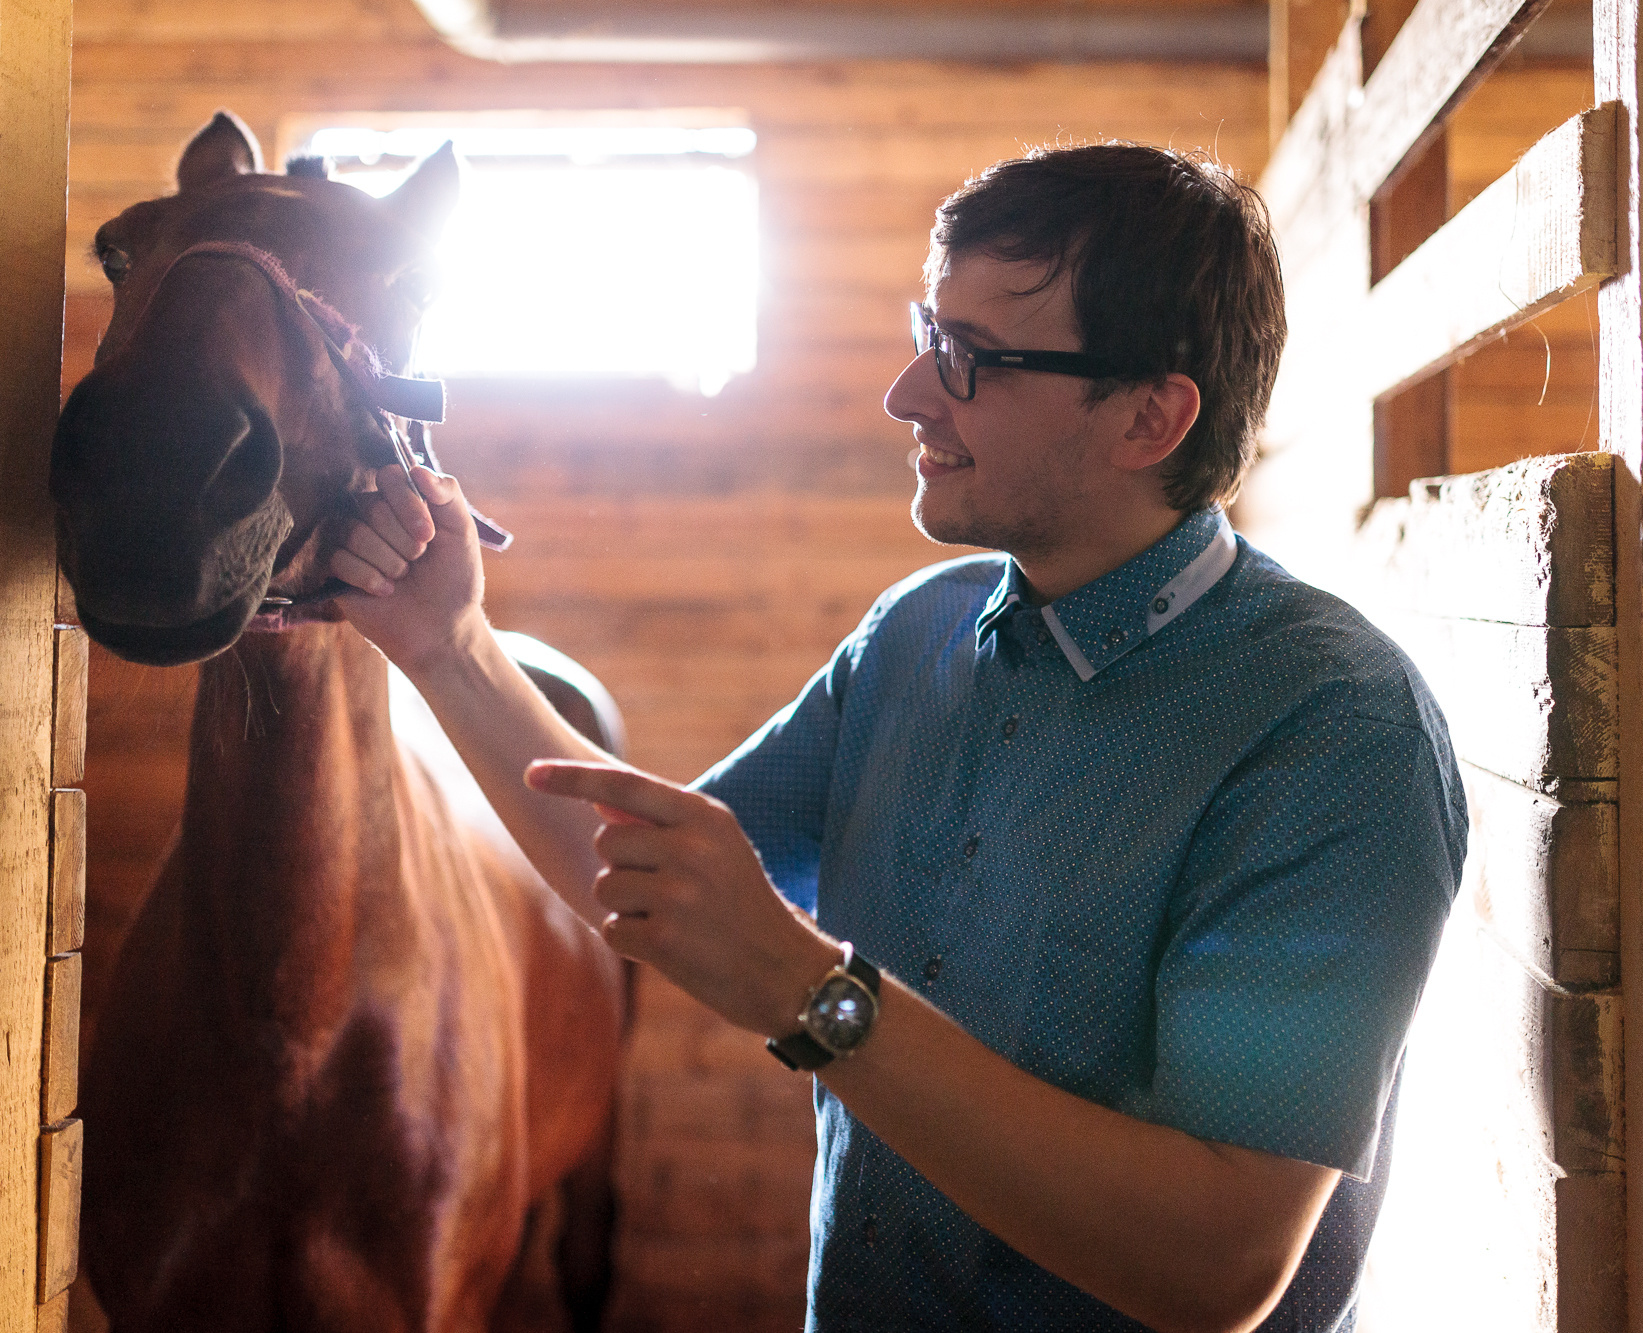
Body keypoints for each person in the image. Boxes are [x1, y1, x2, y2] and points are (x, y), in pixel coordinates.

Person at [335, 143, 1466, 1333]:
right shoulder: (914, 632)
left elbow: (1218, 1264)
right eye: (928, 333)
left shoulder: (1333, 727)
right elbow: (645, 881)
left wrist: (818, 996)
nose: (907, 394)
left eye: (968, 359)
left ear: (1149, 416)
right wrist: (448, 645)